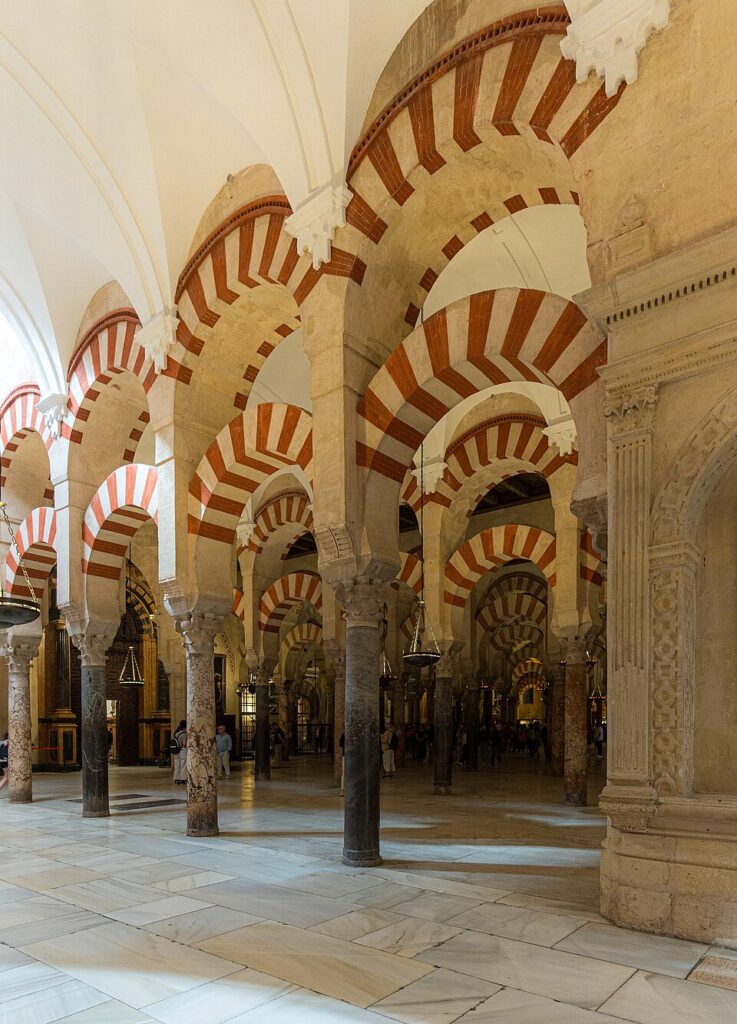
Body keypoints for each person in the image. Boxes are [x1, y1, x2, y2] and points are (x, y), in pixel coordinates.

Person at [172, 719, 187, 784]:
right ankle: (183, 778)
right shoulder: (184, 734)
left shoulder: (176, 733)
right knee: (183, 764)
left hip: (176, 751)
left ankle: (176, 778)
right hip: (182, 750)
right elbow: (184, 744)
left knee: (177, 765)